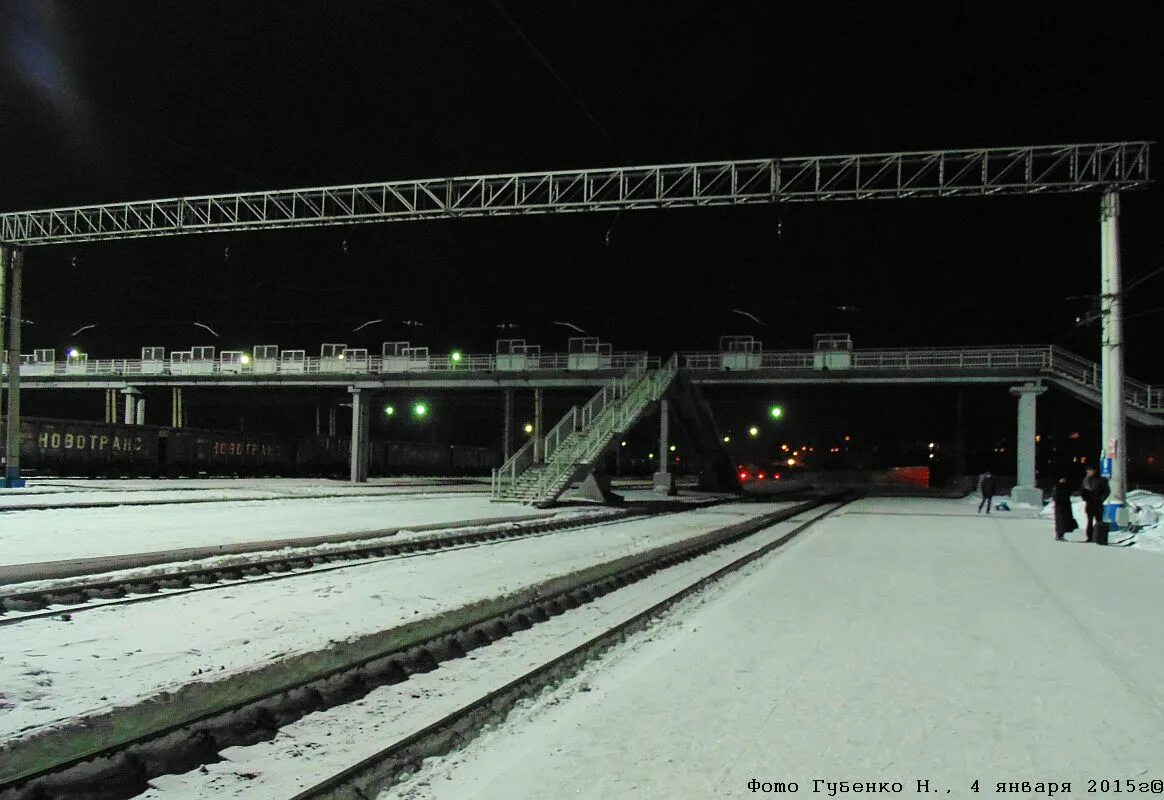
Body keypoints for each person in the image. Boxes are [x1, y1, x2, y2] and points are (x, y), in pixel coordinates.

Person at [1080, 466, 1110, 542]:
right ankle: (1089, 537)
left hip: (1098, 504)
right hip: (1089, 504)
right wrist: (1085, 497)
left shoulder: (1101, 480)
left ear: (1095, 471)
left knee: (1099, 521)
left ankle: (1099, 537)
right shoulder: (1085, 480)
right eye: (1088, 471)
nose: (1089, 472)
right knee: (1089, 521)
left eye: (1090, 470)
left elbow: (1107, 491)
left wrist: (1101, 499)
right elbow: (1082, 491)